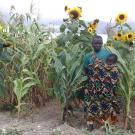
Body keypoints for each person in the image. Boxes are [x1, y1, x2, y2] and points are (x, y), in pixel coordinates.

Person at [80, 35, 120, 130]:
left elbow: (112, 67)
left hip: (105, 85)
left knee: (106, 104)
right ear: (92, 44)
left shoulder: (107, 54)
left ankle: (107, 124)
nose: (98, 45)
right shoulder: (87, 56)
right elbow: (85, 71)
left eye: (100, 43)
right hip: (92, 85)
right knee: (91, 104)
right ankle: (90, 124)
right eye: (95, 43)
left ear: (102, 44)